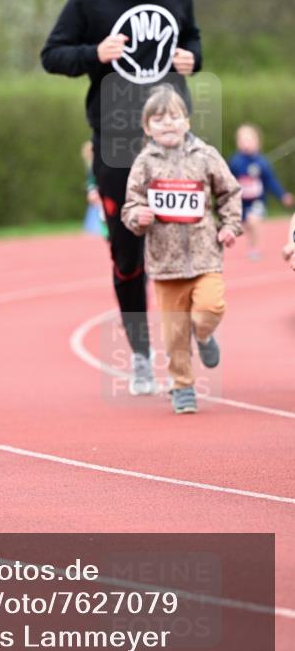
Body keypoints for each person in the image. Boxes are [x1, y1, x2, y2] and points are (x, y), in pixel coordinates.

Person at [41, 0, 202, 395]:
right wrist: (95, 53)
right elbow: (52, 55)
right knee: (128, 252)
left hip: (173, 139)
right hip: (116, 142)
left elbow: (193, 39)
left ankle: (191, 336)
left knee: (186, 243)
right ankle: (137, 353)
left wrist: (192, 58)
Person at [121, 85, 242, 414]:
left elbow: (230, 192)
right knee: (174, 334)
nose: (168, 124)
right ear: (147, 128)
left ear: (187, 121)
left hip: (205, 256)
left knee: (210, 309)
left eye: (174, 117)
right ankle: (182, 385)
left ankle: (203, 336)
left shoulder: (206, 155)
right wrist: (137, 216)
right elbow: (130, 204)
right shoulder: (144, 164)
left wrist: (230, 226)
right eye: (159, 119)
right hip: (165, 264)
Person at [228, 124, 294, 261]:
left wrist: (282, 195)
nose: (246, 143)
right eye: (242, 140)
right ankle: (251, 243)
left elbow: (271, 181)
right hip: (242, 202)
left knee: (253, 220)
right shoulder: (235, 162)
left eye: (249, 140)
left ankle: (255, 247)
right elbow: (228, 180)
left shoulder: (262, 162)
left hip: (257, 202)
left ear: (257, 142)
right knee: (246, 225)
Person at [81, 140, 108, 238]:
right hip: (98, 195)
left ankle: (105, 231)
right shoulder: (91, 166)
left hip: (104, 193)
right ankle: (103, 231)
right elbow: (91, 181)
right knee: (101, 213)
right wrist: (92, 191)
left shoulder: (102, 163)